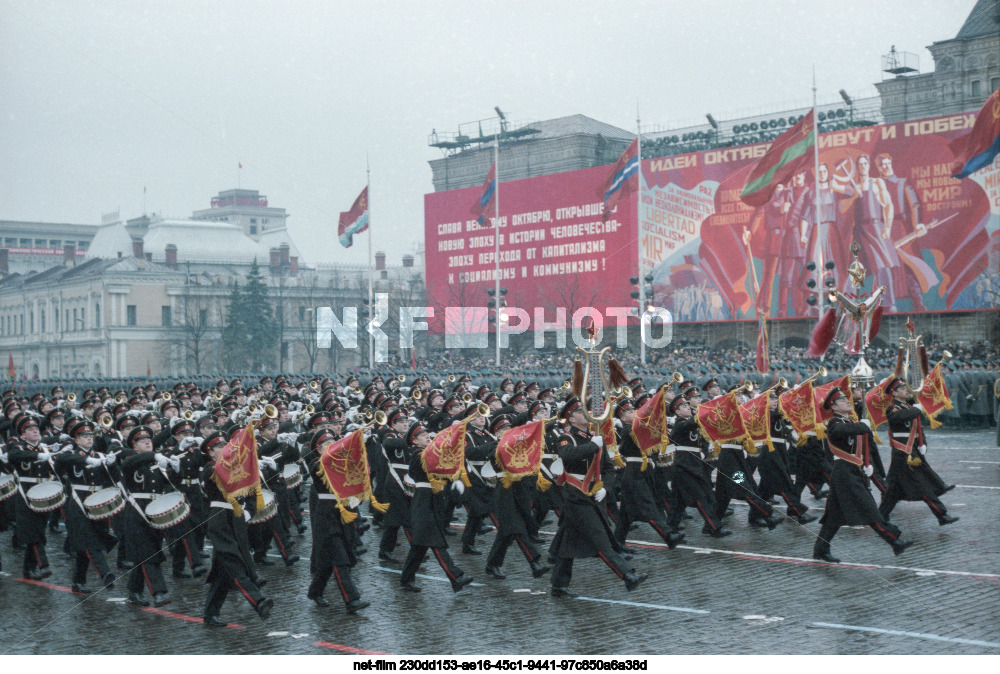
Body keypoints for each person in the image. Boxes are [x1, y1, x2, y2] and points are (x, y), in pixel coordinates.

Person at [548, 397, 646, 597]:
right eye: (580, 412)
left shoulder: (595, 437)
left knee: (568, 543)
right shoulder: (567, 438)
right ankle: (627, 576)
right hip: (577, 497)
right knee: (601, 539)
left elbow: (608, 469)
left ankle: (558, 585)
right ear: (571, 418)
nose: (587, 414)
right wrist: (593, 445)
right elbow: (567, 456)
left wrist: (606, 488)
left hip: (594, 496)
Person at [812, 387, 913, 563]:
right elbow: (840, 432)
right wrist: (862, 426)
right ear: (834, 407)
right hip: (844, 473)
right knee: (869, 508)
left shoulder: (850, 420)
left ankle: (820, 549)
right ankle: (894, 541)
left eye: (846, 399)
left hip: (852, 471)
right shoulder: (834, 423)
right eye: (842, 401)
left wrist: (868, 465)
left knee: (834, 517)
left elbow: (861, 442)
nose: (846, 402)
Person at [200, 433, 273, 626]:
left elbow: (251, 491)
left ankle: (210, 613)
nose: (225, 449)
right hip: (220, 519)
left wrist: (250, 510)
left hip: (237, 518)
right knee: (234, 561)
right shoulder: (210, 468)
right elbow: (219, 474)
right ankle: (258, 601)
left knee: (224, 570)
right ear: (211, 452)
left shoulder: (237, 467)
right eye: (219, 447)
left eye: (227, 446)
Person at [398, 422, 473, 593]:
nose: (427, 437)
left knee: (419, 546)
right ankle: (456, 577)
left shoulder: (429, 452)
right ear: (415, 441)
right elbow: (432, 461)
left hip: (434, 500)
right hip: (423, 501)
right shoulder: (417, 455)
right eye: (423, 436)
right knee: (436, 542)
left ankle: (406, 579)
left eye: (428, 434)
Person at [878, 378, 959, 526]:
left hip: (911, 450)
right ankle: (942, 514)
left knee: (893, 491)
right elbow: (899, 417)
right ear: (894, 393)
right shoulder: (893, 408)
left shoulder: (909, 406)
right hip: (902, 452)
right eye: (902, 389)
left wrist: (923, 443)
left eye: (905, 388)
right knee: (922, 486)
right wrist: (916, 409)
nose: (906, 390)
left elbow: (918, 428)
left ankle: (880, 517)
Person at [306, 431, 369, 614]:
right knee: (339, 559)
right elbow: (325, 467)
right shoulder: (316, 463)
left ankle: (315, 591)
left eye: (335, 442)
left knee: (330, 561)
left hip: (343, 513)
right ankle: (352, 600)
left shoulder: (342, 463)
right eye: (328, 444)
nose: (332, 446)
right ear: (318, 449)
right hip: (326, 515)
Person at [52, 421, 118, 592]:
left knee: (85, 545)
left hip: (97, 502)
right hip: (78, 503)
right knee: (90, 541)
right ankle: (105, 574)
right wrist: (87, 459)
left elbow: (113, 478)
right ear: (77, 439)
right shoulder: (71, 454)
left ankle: (78, 582)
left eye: (91, 436)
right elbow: (60, 461)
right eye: (84, 436)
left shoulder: (99, 455)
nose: (89, 439)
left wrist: (111, 464)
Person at [666, 395, 730, 537]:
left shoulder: (690, 422)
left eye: (688, 405)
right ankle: (715, 528)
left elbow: (702, 439)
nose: (688, 407)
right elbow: (691, 424)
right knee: (702, 498)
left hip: (693, 465)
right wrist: (708, 409)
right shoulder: (680, 424)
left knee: (678, 503)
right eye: (683, 406)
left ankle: (669, 531)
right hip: (684, 466)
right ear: (677, 412)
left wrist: (703, 453)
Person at [6, 414, 58, 580]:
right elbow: (14, 456)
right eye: (30, 429)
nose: (35, 431)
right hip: (26, 493)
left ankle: (28, 569)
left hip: (44, 493)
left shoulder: (44, 449)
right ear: (23, 435)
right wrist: (37, 456)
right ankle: (44, 565)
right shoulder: (20, 448)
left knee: (38, 532)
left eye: (36, 428)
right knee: (34, 531)